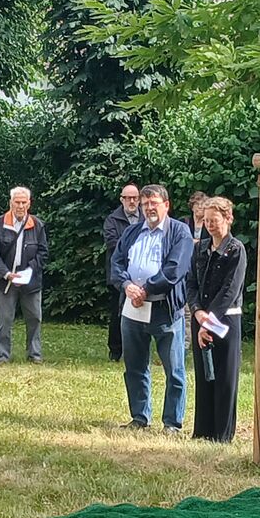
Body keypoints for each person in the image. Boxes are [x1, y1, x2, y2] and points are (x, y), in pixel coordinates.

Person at [111, 183, 192, 431]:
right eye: (145, 204)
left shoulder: (180, 232)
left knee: (174, 369)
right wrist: (127, 285)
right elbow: (116, 263)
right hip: (132, 309)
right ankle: (139, 417)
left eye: (153, 203)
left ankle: (172, 423)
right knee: (134, 366)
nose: (149, 208)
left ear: (166, 205)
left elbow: (174, 269)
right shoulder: (132, 232)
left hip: (164, 309)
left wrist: (145, 289)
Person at [187, 195, 246, 443]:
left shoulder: (236, 250)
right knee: (204, 375)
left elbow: (230, 290)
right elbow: (191, 283)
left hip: (225, 320)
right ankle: (203, 431)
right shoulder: (199, 248)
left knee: (225, 376)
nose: (209, 225)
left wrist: (209, 321)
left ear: (228, 218)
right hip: (200, 318)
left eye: (214, 220)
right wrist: (197, 312)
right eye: (206, 220)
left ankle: (222, 434)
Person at [0, 185, 48, 364]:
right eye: (17, 202)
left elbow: (43, 253)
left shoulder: (37, 224)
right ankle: (2, 355)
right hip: (6, 281)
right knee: (4, 319)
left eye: (23, 202)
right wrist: (6, 273)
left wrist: (29, 271)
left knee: (34, 318)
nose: (20, 206)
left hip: (31, 281)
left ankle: (34, 354)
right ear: (11, 203)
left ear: (29, 204)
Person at [102, 182, 141, 361]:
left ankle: (138, 351)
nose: (132, 201)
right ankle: (115, 351)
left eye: (135, 198)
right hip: (118, 274)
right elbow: (113, 244)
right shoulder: (112, 220)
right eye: (128, 198)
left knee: (141, 312)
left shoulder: (146, 217)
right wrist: (138, 247)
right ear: (121, 199)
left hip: (141, 274)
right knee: (117, 313)